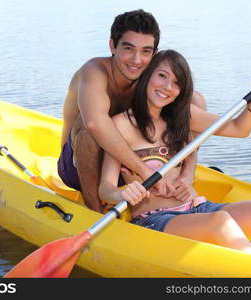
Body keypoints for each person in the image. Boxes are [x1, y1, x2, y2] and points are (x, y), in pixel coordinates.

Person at [98, 49, 251, 262]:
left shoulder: (183, 115)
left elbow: (239, 128)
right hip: (154, 219)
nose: (167, 87)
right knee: (219, 222)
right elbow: (105, 189)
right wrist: (123, 195)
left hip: (196, 207)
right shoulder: (120, 125)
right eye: (162, 75)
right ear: (147, 75)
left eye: (177, 83)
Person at [58, 9, 206, 212]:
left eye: (145, 51)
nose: (137, 60)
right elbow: (94, 124)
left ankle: (177, 187)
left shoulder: (147, 78)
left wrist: (186, 175)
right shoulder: (94, 72)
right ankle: (94, 210)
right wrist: (145, 172)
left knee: (194, 101)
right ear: (113, 45)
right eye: (128, 49)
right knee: (89, 129)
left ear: (153, 53)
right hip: (80, 167)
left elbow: (188, 114)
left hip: (126, 167)